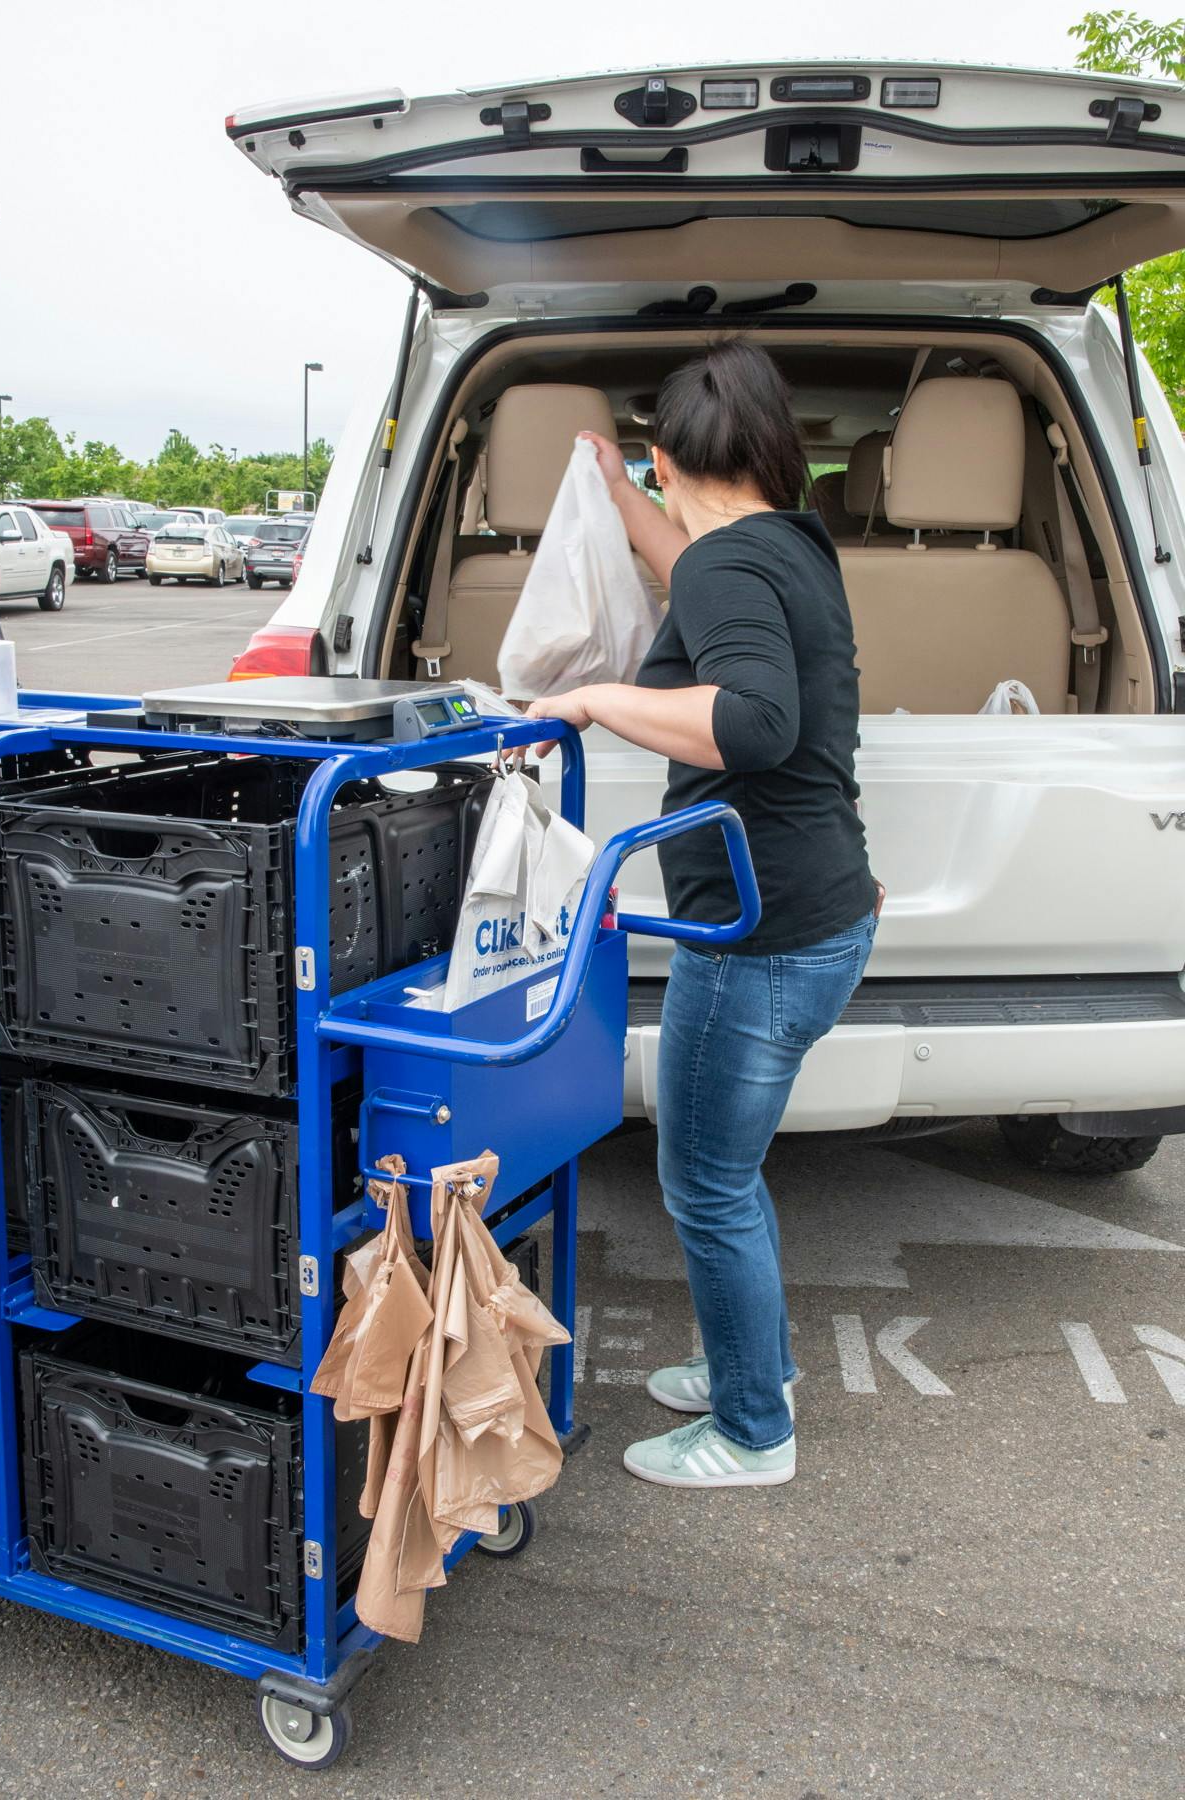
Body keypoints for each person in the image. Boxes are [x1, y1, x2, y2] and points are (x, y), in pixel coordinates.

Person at [526, 339, 880, 1490]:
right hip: (821, 912)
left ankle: (751, 1434)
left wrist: (592, 698)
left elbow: (754, 722)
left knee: (704, 1180)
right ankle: (754, 1367)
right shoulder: (788, 545)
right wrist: (627, 500)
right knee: (730, 1170)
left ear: (675, 456)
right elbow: (697, 569)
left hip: (758, 941)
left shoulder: (733, 569)